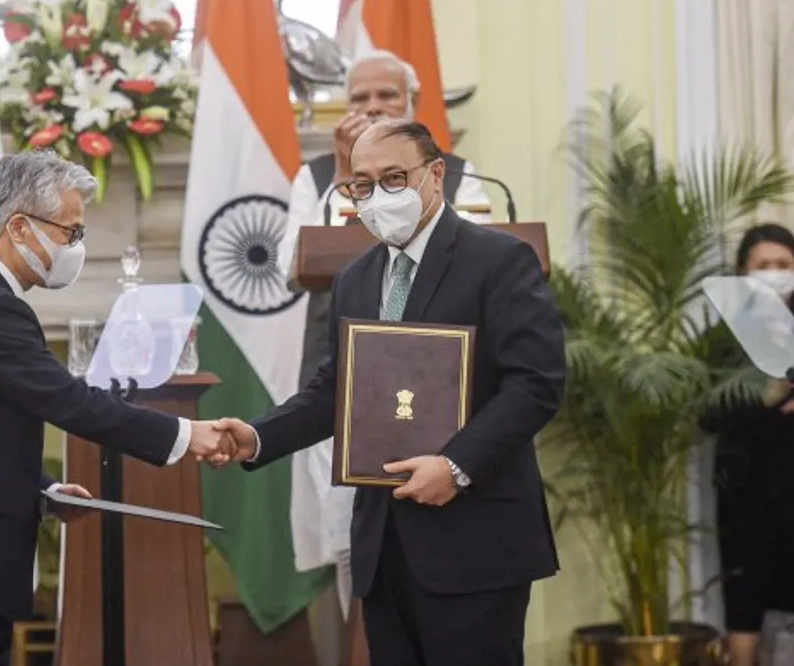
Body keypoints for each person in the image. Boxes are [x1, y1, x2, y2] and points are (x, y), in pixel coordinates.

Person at [211, 119, 565, 666]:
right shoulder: (355, 278)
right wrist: (257, 436)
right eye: (362, 184)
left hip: (475, 538)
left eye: (395, 178)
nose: (378, 196)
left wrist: (455, 467)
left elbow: (537, 384)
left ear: (436, 175)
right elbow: (338, 390)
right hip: (384, 542)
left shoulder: (498, 260)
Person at [0, 150, 234, 666]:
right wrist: (185, 435)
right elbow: (70, 402)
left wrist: (42, 488)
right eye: (71, 232)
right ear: (19, 226)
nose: (74, 247)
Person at [276, 50, 495, 642]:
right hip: (349, 386)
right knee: (351, 535)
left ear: (413, 109)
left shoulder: (460, 170)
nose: (370, 108)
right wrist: (354, 180)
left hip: (443, 395)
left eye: (385, 99)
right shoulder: (317, 178)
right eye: (359, 100)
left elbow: (470, 241)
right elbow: (290, 263)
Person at [707, 224, 794, 666]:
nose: (775, 274)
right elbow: (704, 413)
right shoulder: (722, 338)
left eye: (784, 265)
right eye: (764, 266)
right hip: (746, 495)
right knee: (745, 605)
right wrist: (767, 396)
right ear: (742, 271)